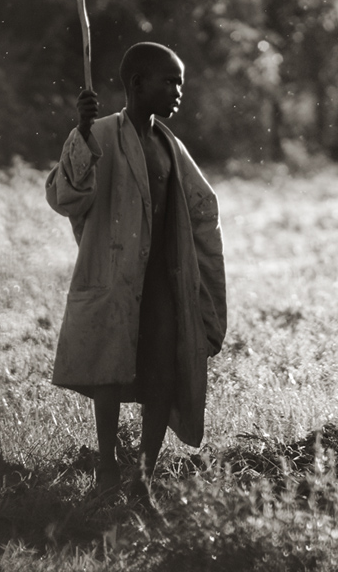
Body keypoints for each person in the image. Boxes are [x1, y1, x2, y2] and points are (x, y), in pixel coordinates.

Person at [46, 42, 227, 508]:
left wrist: (207, 300)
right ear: (136, 84)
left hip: (164, 281)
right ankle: (106, 467)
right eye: (168, 81)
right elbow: (66, 195)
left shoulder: (170, 145)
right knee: (109, 370)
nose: (177, 91)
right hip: (115, 275)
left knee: (164, 371)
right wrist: (81, 132)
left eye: (180, 82)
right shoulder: (100, 136)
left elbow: (203, 212)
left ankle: (143, 476)